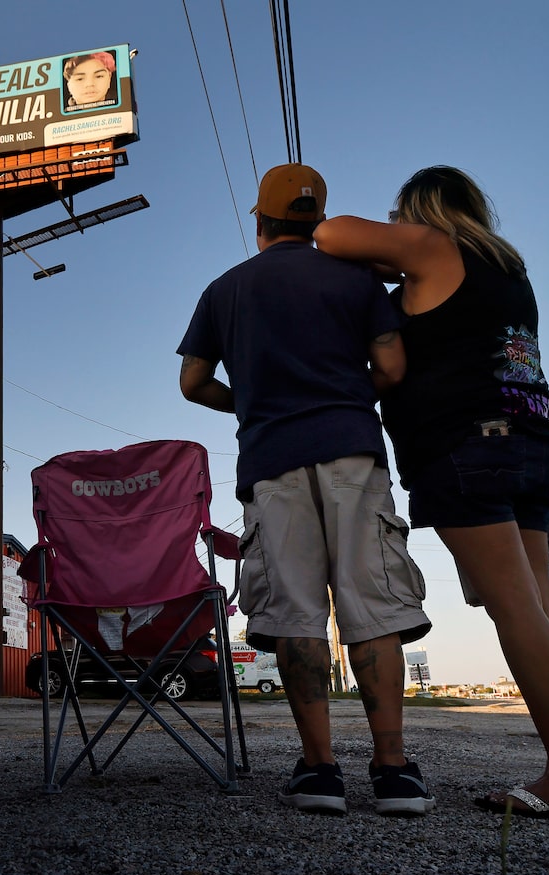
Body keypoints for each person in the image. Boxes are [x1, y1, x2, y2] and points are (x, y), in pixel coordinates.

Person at [312, 165, 549, 826]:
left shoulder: (429, 245)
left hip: (465, 448)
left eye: (400, 216)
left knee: (512, 606)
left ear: (420, 210)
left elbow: (330, 233)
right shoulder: (503, 270)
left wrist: (388, 258)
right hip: (531, 445)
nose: (396, 229)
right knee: (537, 605)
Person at [177, 164, 436, 818]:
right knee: (371, 603)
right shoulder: (354, 280)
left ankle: (319, 771)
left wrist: (252, 405)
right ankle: (393, 771)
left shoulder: (225, 289)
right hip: (352, 448)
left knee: (294, 609)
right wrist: (345, 398)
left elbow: (192, 382)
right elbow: (393, 366)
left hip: (272, 459)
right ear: (315, 219)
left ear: (259, 221)